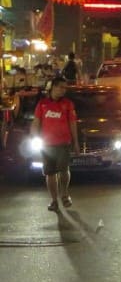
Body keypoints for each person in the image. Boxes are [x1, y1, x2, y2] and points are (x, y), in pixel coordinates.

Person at [30, 77, 80, 212]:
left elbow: (72, 123)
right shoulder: (42, 104)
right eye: (61, 87)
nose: (64, 90)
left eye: (65, 88)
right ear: (53, 87)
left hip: (63, 143)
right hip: (46, 145)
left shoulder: (68, 104)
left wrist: (76, 142)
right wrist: (33, 137)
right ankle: (54, 200)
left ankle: (64, 193)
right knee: (50, 173)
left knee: (64, 170)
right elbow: (36, 122)